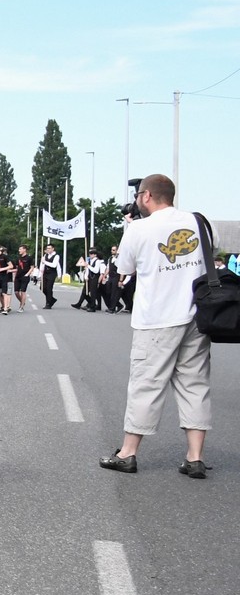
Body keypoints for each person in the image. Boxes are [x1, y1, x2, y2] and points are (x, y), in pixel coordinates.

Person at [99, 173, 214, 478]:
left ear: (147, 196)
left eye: (139, 196)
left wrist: (130, 228)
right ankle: (195, 457)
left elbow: (123, 269)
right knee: (195, 385)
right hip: (196, 317)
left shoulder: (139, 228)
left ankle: (128, 453)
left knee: (146, 384)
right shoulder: (198, 221)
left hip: (157, 319)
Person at [40, 243, 62, 309]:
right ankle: (52, 299)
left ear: (53, 249)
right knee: (43, 288)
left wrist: (59, 275)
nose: (48, 250)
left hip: (52, 273)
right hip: (45, 273)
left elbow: (55, 265)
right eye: (47, 248)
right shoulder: (45, 255)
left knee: (49, 288)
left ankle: (48, 303)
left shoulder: (56, 256)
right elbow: (42, 264)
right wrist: (40, 272)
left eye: (49, 248)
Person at [14, 244, 34, 313]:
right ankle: (22, 301)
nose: (19, 250)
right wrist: (14, 276)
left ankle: (21, 306)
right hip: (18, 277)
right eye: (19, 249)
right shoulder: (18, 258)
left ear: (24, 249)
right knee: (16, 292)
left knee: (23, 291)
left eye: (20, 249)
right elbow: (16, 268)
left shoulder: (29, 258)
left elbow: (32, 267)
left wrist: (27, 274)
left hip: (25, 277)